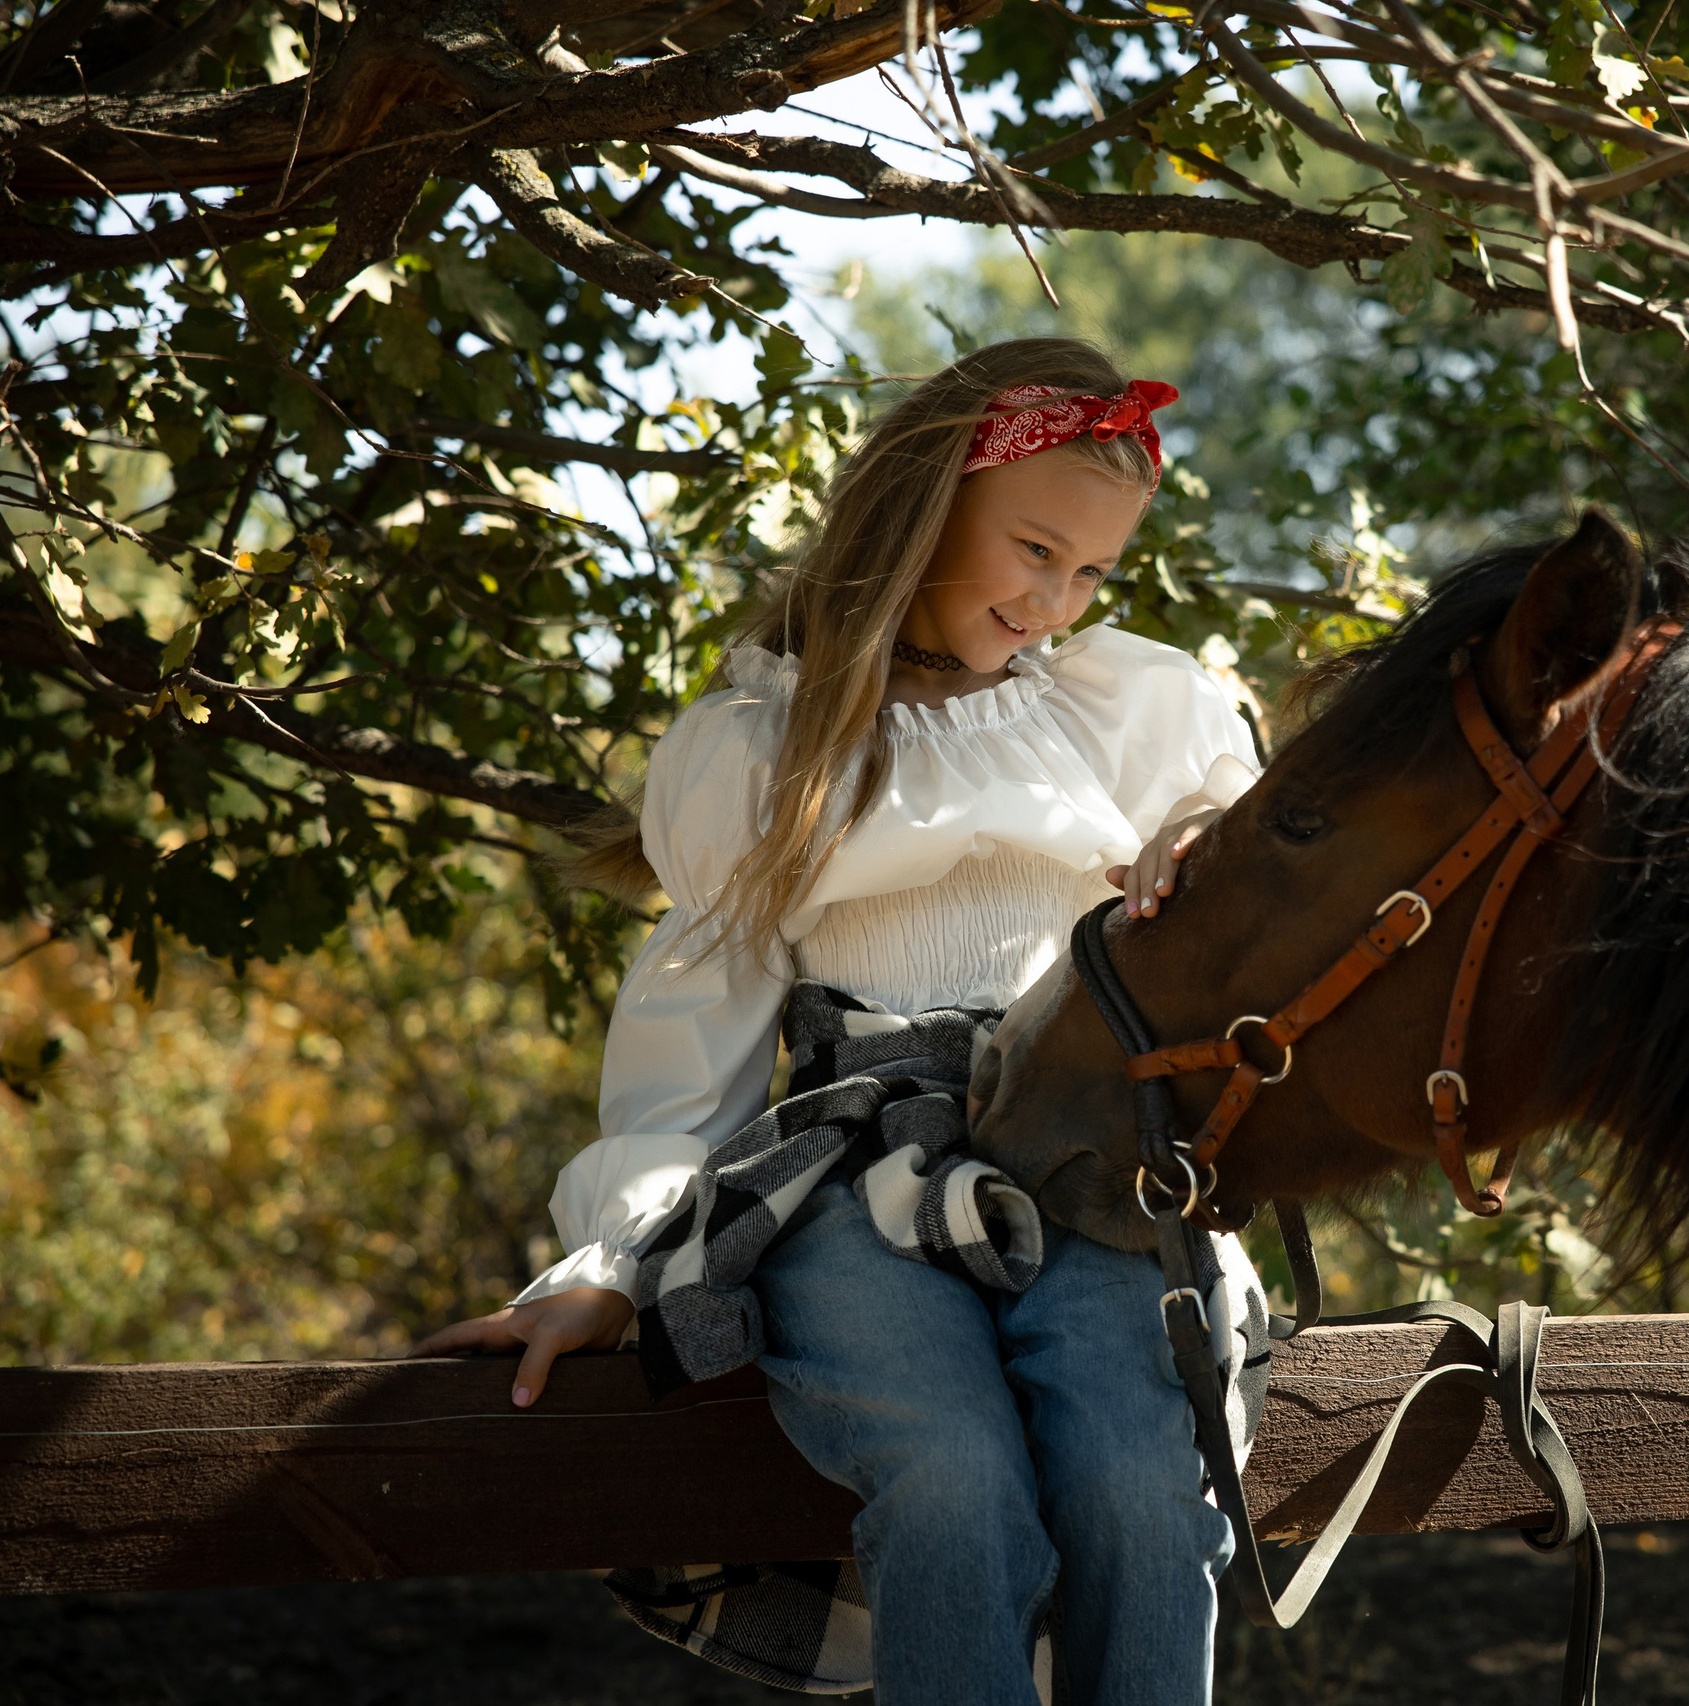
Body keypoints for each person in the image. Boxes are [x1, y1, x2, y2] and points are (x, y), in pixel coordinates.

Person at [411, 338, 1260, 1705]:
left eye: (1093, 574)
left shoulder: (1120, 714)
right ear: (927, 509)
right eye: (1034, 550)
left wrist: (1206, 843)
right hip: (854, 1177)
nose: (1055, 602)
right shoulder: (772, 747)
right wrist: (609, 1261)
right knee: (950, 1475)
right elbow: (691, 1041)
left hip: (1084, 1156)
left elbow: (1255, 875)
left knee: (1139, 1484)